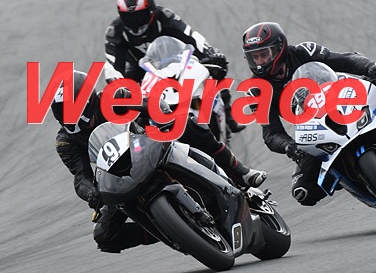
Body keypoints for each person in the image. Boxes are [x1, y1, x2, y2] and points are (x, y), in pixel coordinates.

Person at [241, 22, 376, 207]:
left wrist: (371, 67)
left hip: (342, 98)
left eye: (264, 54)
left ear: (280, 48)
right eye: (254, 57)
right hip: (313, 127)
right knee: (304, 193)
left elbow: (346, 60)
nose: (259, 61)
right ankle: (343, 174)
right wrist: (289, 146)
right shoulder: (256, 90)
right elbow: (271, 133)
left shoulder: (303, 51)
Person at [53, 70, 266, 254]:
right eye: (62, 110)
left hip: (149, 146)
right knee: (105, 235)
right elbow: (81, 177)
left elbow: (151, 103)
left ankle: (240, 172)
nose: (68, 115)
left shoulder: (112, 98)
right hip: (119, 177)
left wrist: (164, 117)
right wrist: (90, 193)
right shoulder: (65, 141)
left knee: (190, 125)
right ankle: (170, 230)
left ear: (88, 100)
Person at [104, 0, 244, 134]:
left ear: (151, 10)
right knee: (124, 106)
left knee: (217, 68)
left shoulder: (164, 16)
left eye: (140, 16)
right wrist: (120, 86)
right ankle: (134, 135)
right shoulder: (115, 31)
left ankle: (228, 114)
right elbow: (113, 66)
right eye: (129, 18)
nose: (135, 23)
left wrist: (210, 53)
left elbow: (191, 37)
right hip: (140, 69)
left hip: (173, 60)